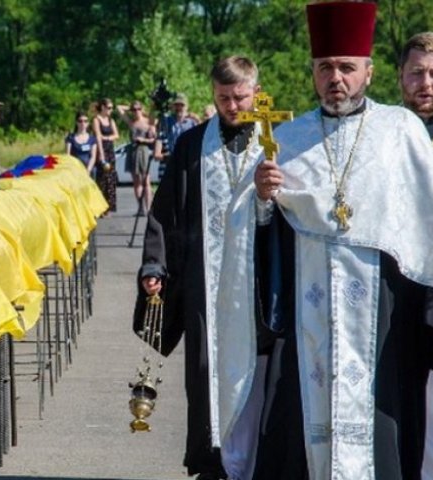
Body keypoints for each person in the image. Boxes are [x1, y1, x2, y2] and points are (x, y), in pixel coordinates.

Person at [244, 3, 433, 478]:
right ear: (313, 72)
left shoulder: (400, 130)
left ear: (369, 73)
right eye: (326, 68)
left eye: (347, 68)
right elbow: (259, 233)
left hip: (386, 310)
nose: (337, 78)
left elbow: (430, 217)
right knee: (302, 421)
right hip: (307, 309)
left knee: (387, 424)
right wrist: (264, 198)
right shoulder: (286, 138)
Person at [134, 55, 267, 480]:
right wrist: (154, 265)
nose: (232, 106)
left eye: (240, 97)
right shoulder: (192, 145)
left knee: (261, 372)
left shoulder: (278, 141)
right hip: (204, 285)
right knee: (206, 374)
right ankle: (213, 462)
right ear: (213, 95)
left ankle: (259, 459)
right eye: (224, 98)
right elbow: (165, 213)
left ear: (256, 93)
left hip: (262, 285)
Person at [399, 31, 433, 480]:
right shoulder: (384, 131)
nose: (424, 83)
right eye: (416, 73)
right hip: (396, 294)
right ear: (399, 78)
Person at [118, 101, 156, 215]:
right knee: (136, 181)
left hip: (143, 150)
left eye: (138, 109)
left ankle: (149, 207)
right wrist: (129, 107)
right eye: (134, 110)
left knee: (146, 180)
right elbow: (119, 108)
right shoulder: (132, 122)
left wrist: (143, 140)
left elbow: (154, 139)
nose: (136, 111)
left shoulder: (148, 122)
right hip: (133, 150)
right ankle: (140, 208)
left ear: (142, 109)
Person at [154, 93, 197, 180]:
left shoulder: (192, 123)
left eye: (181, 105)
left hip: (186, 162)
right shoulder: (166, 121)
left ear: (186, 107)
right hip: (170, 161)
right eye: (176, 105)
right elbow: (159, 142)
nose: (179, 108)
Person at [91, 98, 118, 213]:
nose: (110, 110)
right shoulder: (97, 120)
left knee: (111, 178)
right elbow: (98, 137)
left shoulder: (111, 120)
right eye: (109, 108)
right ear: (102, 107)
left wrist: (107, 137)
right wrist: (101, 154)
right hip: (101, 149)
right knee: (102, 179)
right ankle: (100, 207)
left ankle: (109, 205)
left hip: (110, 150)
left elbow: (116, 135)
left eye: (111, 108)